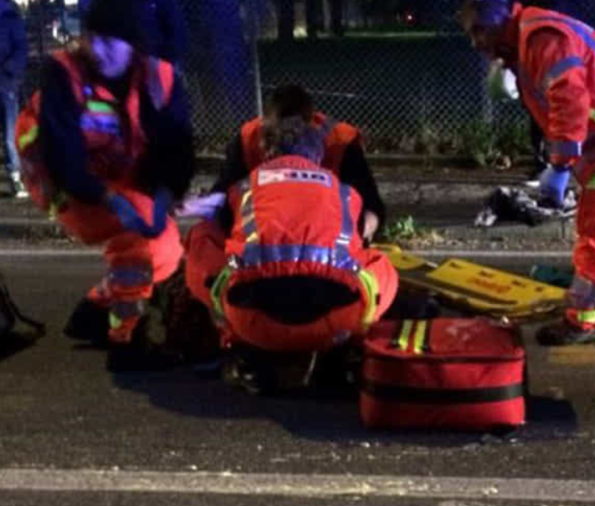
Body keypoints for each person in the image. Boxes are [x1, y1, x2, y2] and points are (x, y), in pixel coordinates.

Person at [458, 0, 595, 345]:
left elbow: (569, 101)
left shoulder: (542, 40)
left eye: (479, 30)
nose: (475, 42)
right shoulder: (527, 38)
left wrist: (558, 167)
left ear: (501, 18)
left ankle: (585, 318)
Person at [15, 0, 194, 367]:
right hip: (67, 184)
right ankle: (126, 340)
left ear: (135, 46)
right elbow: (62, 154)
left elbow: (176, 149)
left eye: (112, 43)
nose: (100, 51)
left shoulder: (160, 80)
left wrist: (164, 195)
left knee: (168, 251)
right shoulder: (64, 73)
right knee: (143, 243)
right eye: (95, 40)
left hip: (122, 180)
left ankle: (94, 311)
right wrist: (111, 200)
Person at [182, 116, 397, 393]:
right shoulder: (345, 192)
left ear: (269, 152)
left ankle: (235, 344)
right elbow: (359, 241)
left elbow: (221, 230)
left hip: (252, 320)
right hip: (336, 320)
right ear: (318, 156)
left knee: (201, 236)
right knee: (381, 264)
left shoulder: (244, 187)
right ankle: (350, 348)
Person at [213, 84, 386, 243]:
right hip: (326, 250)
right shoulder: (247, 140)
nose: (290, 136)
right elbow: (221, 200)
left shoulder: (341, 142)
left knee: (205, 235)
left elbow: (372, 206)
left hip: (265, 248)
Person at [0, 0, 26, 198]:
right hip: (7, 81)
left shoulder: (10, 18)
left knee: (10, 134)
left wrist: (9, 71)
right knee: (10, 133)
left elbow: (20, 49)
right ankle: (15, 177)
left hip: (6, 82)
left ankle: (15, 176)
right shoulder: (11, 17)